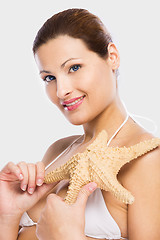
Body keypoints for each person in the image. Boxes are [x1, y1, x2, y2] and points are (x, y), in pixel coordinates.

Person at [0, 8, 160, 240]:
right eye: (49, 78)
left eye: (74, 68)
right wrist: (7, 216)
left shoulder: (146, 159)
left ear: (112, 57)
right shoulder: (57, 150)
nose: (61, 90)